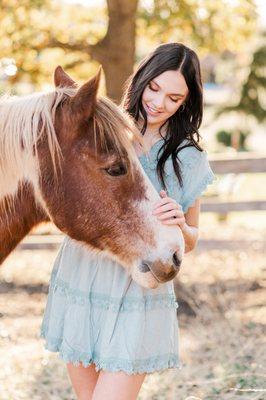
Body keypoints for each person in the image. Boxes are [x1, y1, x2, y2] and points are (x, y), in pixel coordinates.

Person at [40, 42, 216, 400]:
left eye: (173, 98)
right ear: (142, 79)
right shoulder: (104, 131)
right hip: (84, 276)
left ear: (186, 102)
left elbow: (193, 238)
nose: (159, 103)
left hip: (139, 290)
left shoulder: (189, 158)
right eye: (154, 88)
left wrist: (181, 226)